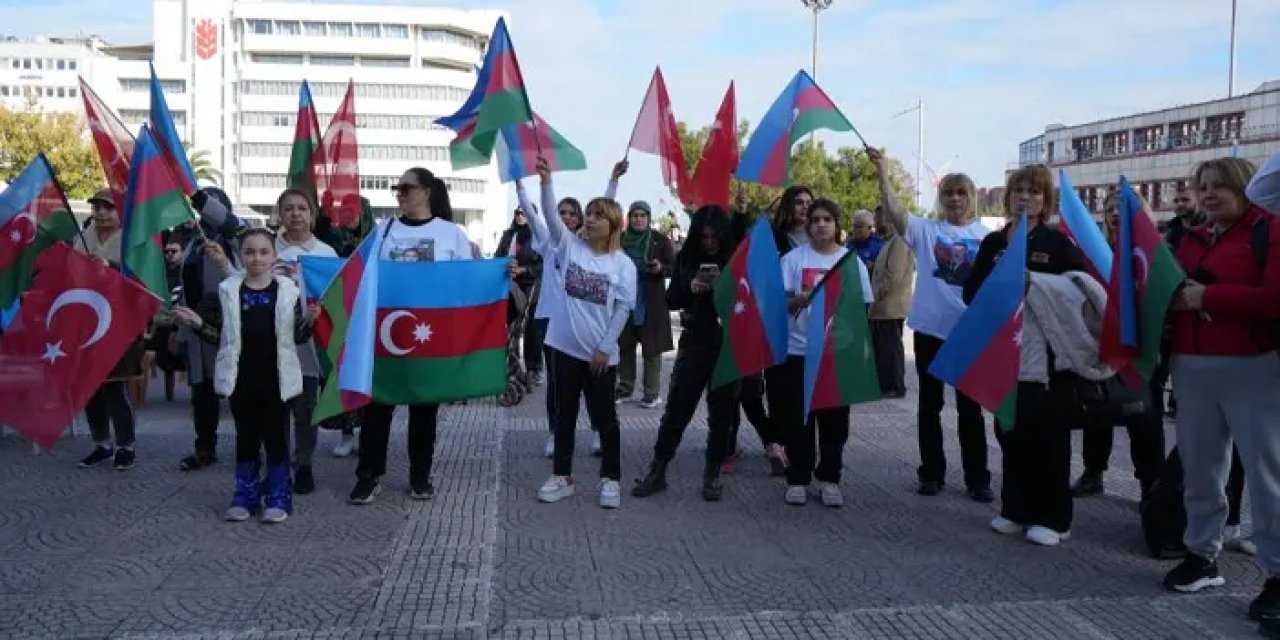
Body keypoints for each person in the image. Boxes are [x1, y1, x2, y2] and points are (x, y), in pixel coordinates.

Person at [1161, 158, 1280, 635]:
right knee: (1201, 465)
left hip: (1254, 366)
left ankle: (1276, 573)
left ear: (1245, 187)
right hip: (1191, 366)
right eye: (1201, 186)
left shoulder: (1269, 231)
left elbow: (1275, 298)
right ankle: (1202, 555)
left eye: (1219, 186)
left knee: (1266, 473)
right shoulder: (1190, 237)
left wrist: (1207, 299)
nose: (1208, 194)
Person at [965, 165, 1086, 547]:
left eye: (1034, 192)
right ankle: (1016, 508)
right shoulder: (994, 243)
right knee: (1009, 432)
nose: (1025, 197)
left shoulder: (1058, 244)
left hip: (1046, 357)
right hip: (1005, 352)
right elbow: (971, 293)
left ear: (1046, 200)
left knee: (1047, 436)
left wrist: (1037, 283)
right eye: (1019, 190)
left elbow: (1080, 292)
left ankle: (1055, 516)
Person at [868, 147, 994, 501]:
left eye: (961, 192)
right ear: (941, 198)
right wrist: (882, 171)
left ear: (971, 198)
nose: (955, 198)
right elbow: (894, 210)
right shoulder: (926, 230)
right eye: (949, 193)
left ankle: (977, 478)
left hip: (969, 334)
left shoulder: (986, 236)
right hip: (930, 331)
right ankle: (931, 473)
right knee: (930, 405)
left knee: (970, 408)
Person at [348, 168, 474, 505]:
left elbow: (466, 281)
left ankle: (420, 476)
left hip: (429, 335)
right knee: (378, 407)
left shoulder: (451, 234)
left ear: (427, 191)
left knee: (424, 409)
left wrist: (502, 273)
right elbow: (361, 275)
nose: (400, 194)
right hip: (387, 333)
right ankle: (369, 475)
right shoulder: (382, 231)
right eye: (396, 188)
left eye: (407, 187)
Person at [174, 228, 312, 523]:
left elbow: (298, 336)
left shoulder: (288, 291)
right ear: (241, 256)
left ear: (274, 256)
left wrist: (312, 319)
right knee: (246, 438)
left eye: (263, 252)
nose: (256, 258)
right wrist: (198, 323)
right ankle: (245, 494)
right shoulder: (230, 290)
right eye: (249, 252)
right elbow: (223, 338)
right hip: (242, 380)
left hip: (277, 380)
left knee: (276, 439)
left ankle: (278, 495)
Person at [526, 157, 635, 509]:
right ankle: (562, 476)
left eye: (597, 215)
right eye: (587, 213)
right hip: (563, 348)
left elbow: (622, 309)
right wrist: (546, 181)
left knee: (605, 418)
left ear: (613, 223)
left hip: (600, 356)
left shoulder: (623, 264)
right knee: (565, 414)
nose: (589, 219)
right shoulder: (570, 247)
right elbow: (550, 216)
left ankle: (610, 478)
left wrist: (605, 348)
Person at [631, 205, 740, 501]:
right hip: (695, 341)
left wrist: (724, 286)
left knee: (722, 414)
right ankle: (658, 470)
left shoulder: (735, 259)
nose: (708, 241)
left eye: (713, 236)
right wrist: (691, 287)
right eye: (703, 236)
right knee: (677, 411)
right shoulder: (687, 258)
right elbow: (671, 299)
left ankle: (712, 474)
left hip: (727, 343)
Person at [771, 198, 873, 507]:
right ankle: (798, 478)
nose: (821, 225)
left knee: (834, 421)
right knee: (798, 420)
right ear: (808, 224)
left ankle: (830, 477)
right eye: (815, 219)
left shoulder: (850, 261)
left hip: (835, 353)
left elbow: (863, 305)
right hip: (798, 351)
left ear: (837, 224)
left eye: (827, 219)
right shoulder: (792, 260)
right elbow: (777, 302)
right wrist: (794, 301)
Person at [1070, 191, 1166, 500]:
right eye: (1110, 208)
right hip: (1104, 341)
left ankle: (1150, 483)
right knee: (1099, 408)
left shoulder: (1156, 251)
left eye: (1122, 208)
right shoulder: (1101, 251)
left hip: (1145, 346)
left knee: (1145, 416)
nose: (1114, 213)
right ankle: (1093, 472)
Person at [273, 188, 338, 495]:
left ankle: (304, 465)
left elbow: (337, 298)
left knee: (305, 409)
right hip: (272, 345)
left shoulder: (325, 254)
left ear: (312, 215)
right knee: (276, 409)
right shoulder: (265, 249)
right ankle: (277, 463)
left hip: (309, 348)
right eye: (289, 208)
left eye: (302, 208)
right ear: (280, 214)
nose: (296, 213)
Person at [175, 186, 244, 472]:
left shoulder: (236, 238)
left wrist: (200, 198)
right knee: (202, 394)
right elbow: (185, 288)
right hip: (197, 329)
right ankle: (204, 449)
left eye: (213, 206)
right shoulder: (193, 242)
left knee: (240, 391)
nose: (205, 212)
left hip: (230, 326)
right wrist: (180, 332)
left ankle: (250, 449)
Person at [75, 188, 143, 471]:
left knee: (115, 389)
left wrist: (111, 267)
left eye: (108, 207)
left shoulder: (132, 242)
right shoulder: (81, 240)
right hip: (85, 323)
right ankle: (101, 443)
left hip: (120, 325)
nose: (101, 212)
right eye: (97, 207)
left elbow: (142, 282)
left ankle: (125, 445)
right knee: (89, 389)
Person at [315, 196, 375, 458]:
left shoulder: (375, 240)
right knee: (340, 372)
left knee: (365, 374)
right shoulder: (332, 238)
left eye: (355, 212)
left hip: (367, 315)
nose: (350, 217)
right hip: (339, 314)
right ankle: (347, 434)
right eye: (345, 211)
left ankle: (366, 433)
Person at [614, 199, 675, 408]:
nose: (639, 220)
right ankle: (625, 388)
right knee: (625, 348)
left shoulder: (660, 240)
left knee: (652, 350)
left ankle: (652, 393)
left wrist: (661, 269)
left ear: (648, 218)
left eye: (643, 216)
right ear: (629, 218)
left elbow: (674, 267)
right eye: (635, 216)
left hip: (651, 302)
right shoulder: (620, 240)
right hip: (625, 302)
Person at [869, 205, 914, 398]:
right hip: (883, 305)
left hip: (890, 305)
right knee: (884, 347)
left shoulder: (899, 242)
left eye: (879, 218)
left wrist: (876, 295)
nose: (876, 222)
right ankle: (886, 383)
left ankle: (894, 385)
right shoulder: (890, 241)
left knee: (890, 348)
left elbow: (892, 275)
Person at [496, 205, 544, 384]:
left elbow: (543, 266)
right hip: (511, 285)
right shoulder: (508, 235)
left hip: (532, 285)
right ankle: (513, 365)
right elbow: (498, 256)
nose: (520, 216)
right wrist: (503, 267)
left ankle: (534, 368)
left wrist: (524, 270)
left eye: (524, 213)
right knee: (512, 326)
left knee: (532, 328)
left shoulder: (539, 237)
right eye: (517, 212)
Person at [845, 208, 882, 273]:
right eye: (853, 226)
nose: (854, 229)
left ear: (869, 227)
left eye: (859, 226)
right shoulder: (848, 245)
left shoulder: (879, 245)